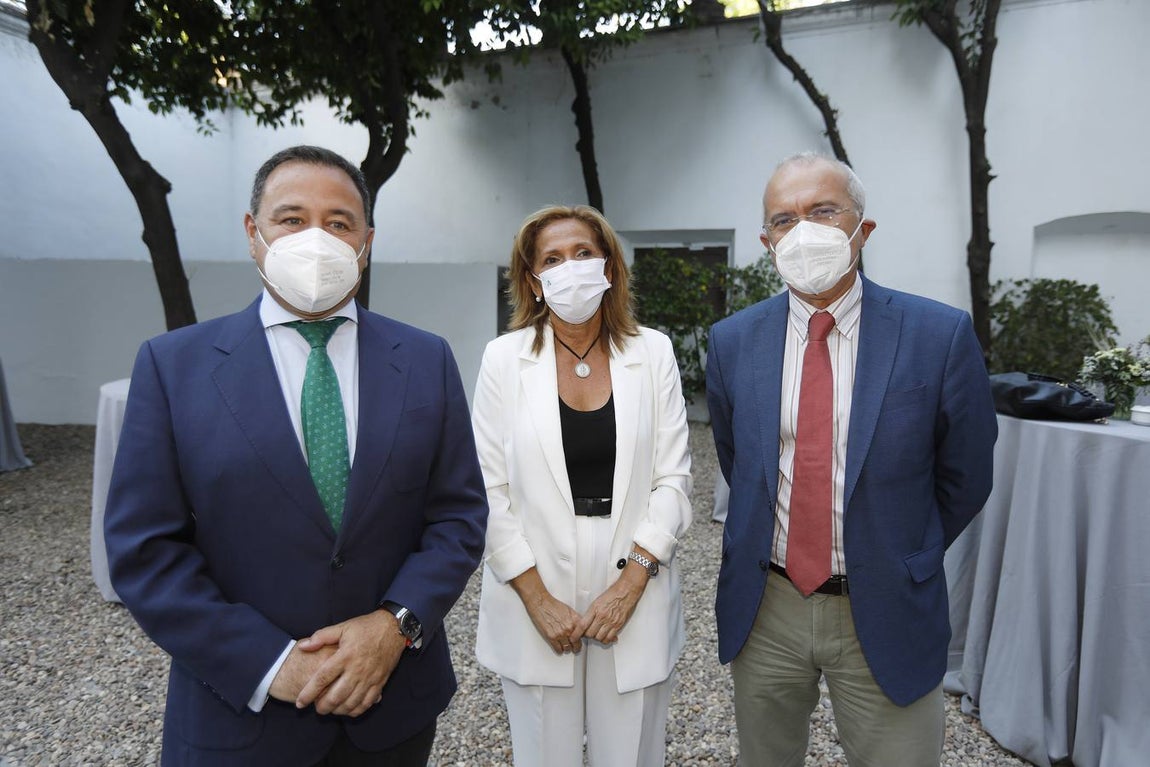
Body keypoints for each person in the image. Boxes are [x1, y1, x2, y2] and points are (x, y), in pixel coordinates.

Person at [104, 145, 489, 767]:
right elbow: (144, 551)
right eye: (291, 219)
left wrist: (397, 626)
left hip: (391, 716)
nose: (317, 238)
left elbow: (458, 516)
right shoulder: (174, 366)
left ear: (366, 240)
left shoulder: (425, 359)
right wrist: (268, 663)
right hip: (238, 721)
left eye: (339, 222)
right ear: (253, 232)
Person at [706, 152, 998, 766]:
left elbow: (966, 475)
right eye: (784, 220)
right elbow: (742, 461)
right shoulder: (733, 341)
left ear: (862, 229)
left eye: (823, 211)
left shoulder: (937, 335)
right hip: (768, 605)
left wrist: (902, 548)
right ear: (766, 241)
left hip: (887, 604)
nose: (803, 232)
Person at [471, 205, 693, 767]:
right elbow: (486, 489)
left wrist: (631, 585)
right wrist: (537, 598)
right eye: (552, 258)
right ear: (533, 281)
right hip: (533, 589)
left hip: (635, 580)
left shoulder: (654, 351)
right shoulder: (503, 359)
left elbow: (673, 479)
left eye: (583, 253)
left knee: (634, 754)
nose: (570, 267)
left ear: (610, 267)